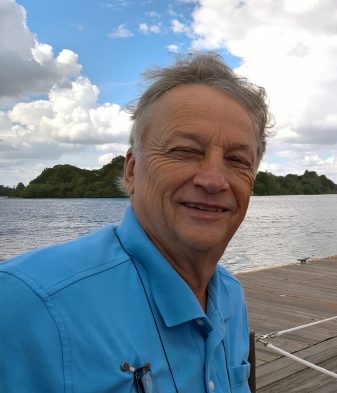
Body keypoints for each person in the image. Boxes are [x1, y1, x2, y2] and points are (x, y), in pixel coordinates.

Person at [0, 52, 271, 393]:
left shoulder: (230, 295)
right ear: (131, 171)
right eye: (185, 151)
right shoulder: (24, 305)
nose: (214, 180)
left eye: (236, 159)